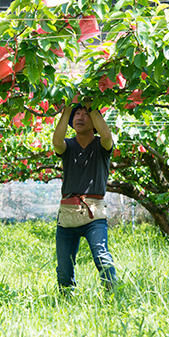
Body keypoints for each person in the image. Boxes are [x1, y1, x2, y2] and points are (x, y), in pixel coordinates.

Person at [51, 101, 117, 291]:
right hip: (68, 214)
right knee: (64, 269)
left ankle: (113, 296)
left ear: (95, 119)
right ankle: (65, 304)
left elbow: (106, 135)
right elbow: (56, 142)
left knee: (102, 257)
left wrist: (92, 106)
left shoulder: (102, 145)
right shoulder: (68, 146)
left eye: (85, 113)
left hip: (93, 213)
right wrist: (66, 112)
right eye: (76, 114)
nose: (80, 117)